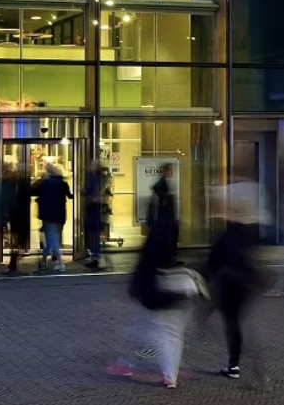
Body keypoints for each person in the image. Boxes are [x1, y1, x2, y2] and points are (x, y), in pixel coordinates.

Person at [107, 214, 202, 388]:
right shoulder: (174, 252)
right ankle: (170, 376)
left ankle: (125, 363)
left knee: (137, 331)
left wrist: (135, 290)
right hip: (178, 298)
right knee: (172, 337)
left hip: (154, 300)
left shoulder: (151, 250)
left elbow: (142, 275)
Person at [206, 183, 264, 380]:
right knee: (235, 322)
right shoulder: (249, 233)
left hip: (229, 285)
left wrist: (207, 278)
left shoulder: (225, 235)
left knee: (232, 323)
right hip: (244, 285)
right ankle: (236, 362)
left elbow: (213, 261)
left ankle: (234, 364)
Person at [33, 163, 72, 272]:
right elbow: (69, 196)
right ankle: (44, 260)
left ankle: (60, 262)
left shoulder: (45, 183)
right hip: (60, 215)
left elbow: (32, 190)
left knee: (52, 239)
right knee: (51, 239)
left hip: (48, 215)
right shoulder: (63, 184)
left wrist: (40, 180)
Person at [0, 162, 31, 275]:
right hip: (20, 217)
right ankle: (13, 263)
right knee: (17, 241)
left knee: (15, 240)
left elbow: (10, 199)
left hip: (16, 217)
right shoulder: (23, 183)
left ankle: (13, 263)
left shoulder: (14, 183)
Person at [82, 163, 113, 269]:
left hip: (93, 209)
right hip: (94, 209)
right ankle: (96, 256)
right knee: (93, 234)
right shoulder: (96, 178)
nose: (87, 166)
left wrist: (87, 196)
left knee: (93, 234)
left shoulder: (94, 178)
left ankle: (96, 257)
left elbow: (96, 194)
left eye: (90, 165)